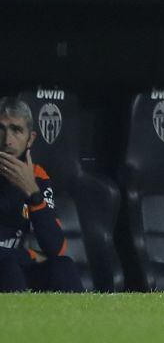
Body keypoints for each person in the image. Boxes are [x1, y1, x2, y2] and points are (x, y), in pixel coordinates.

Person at [0, 97, 82, 292]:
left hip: (13, 264)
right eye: (1, 129)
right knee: (8, 268)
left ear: (31, 138)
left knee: (63, 267)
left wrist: (32, 192)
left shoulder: (37, 176)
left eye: (16, 130)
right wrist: (30, 256)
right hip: (8, 266)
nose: (7, 140)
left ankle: (83, 322)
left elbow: (55, 248)